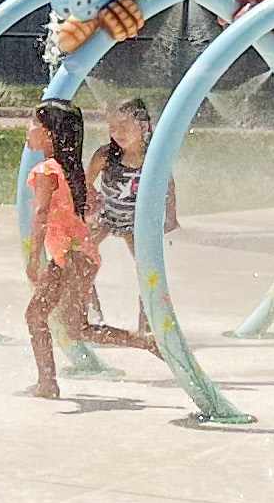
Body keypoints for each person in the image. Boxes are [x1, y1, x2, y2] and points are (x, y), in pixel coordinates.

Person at [22, 98, 158, 398]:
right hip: (82, 257)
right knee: (77, 328)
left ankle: (47, 384)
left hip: (68, 258)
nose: (27, 126)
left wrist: (34, 259)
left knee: (37, 316)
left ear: (48, 133)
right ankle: (144, 342)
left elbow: (41, 215)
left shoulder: (47, 171)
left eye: (33, 121)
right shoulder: (66, 168)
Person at [89, 93, 174, 259]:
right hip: (105, 217)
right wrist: (91, 206)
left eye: (124, 127)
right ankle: (80, 284)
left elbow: (168, 187)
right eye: (113, 127)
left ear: (142, 126)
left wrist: (170, 220)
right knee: (83, 251)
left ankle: (154, 285)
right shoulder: (105, 155)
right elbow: (85, 183)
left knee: (145, 261)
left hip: (135, 223)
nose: (117, 133)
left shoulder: (153, 158)